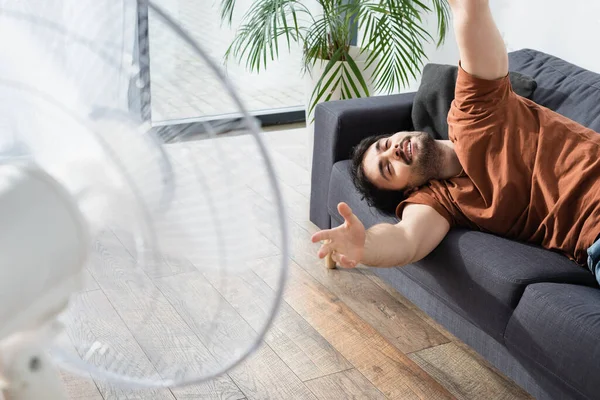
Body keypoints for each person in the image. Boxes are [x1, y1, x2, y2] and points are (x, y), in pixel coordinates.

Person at [310, 0, 600, 285]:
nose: (394, 151)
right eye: (388, 169)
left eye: (385, 145)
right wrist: (365, 248)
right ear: (409, 190)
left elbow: (472, 15)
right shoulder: (442, 201)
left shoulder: (474, 113)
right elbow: (406, 239)